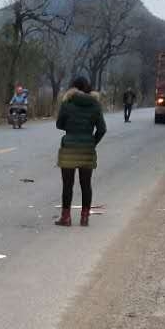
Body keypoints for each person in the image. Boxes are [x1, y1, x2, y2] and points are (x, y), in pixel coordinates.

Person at [55, 73, 106, 226]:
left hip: (69, 148)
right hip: (87, 149)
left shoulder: (67, 103)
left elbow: (59, 124)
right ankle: (84, 218)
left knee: (67, 185)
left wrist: (70, 128)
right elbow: (102, 129)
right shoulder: (95, 105)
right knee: (86, 184)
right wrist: (92, 142)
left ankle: (66, 218)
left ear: (73, 88)